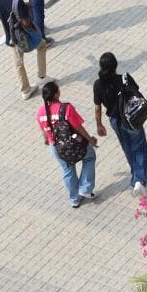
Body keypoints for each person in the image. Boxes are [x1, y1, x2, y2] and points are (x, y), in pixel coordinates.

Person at [93, 51, 147, 194]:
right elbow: (137, 94)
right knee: (140, 146)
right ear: (115, 66)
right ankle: (139, 181)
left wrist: (99, 125)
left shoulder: (98, 84)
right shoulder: (123, 79)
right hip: (131, 118)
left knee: (127, 147)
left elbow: (97, 107)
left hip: (115, 121)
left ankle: (135, 174)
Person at [35, 80, 97, 208]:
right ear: (56, 94)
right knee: (90, 157)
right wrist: (90, 139)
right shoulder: (65, 108)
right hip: (74, 144)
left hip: (56, 148)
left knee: (67, 170)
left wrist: (46, 140)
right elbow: (78, 127)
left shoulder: (40, 112)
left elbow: (44, 132)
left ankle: (74, 199)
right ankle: (85, 189)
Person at [0, 0, 47, 97]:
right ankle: (41, 76)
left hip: (10, 37)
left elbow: (7, 12)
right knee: (41, 44)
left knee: (18, 63)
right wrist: (33, 27)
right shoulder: (17, 1)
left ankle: (25, 90)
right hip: (23, 36)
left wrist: (22, 7)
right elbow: (25, 22)